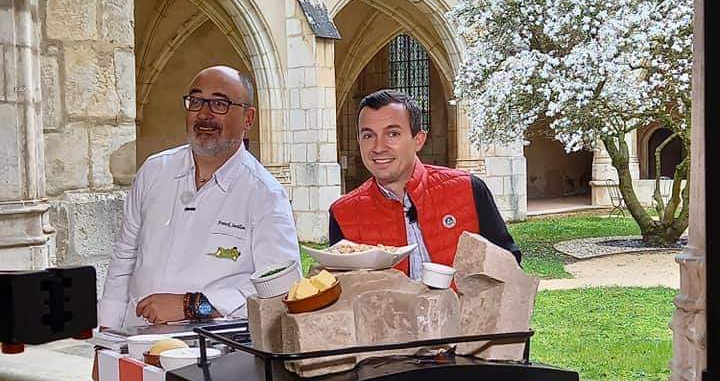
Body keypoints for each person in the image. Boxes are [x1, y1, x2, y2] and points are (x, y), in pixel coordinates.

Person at [99, 65, 300, 328]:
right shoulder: (154, 171)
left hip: (212, 352)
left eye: (220, 104)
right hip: (136, 340)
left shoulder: (265, 194)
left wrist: (191, 305)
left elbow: (281, 286)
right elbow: (124, 257)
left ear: (248, 119)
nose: (204, 114)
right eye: (196, 101)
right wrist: (107, 335)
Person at [329, 89, 520, 278]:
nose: (378, 147)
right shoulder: (343, 214)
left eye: (392, 134)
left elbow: (509, 262)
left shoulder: (469, 189)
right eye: (368, 136)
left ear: (418, 140)